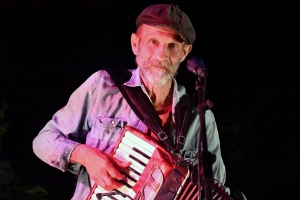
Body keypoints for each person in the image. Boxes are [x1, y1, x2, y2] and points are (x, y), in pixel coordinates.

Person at [33, 4, 228, 200]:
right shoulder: (103, 87)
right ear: (135, 44)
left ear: (184, 53)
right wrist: (85, 155)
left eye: (172, 46)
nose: (161, 55)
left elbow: (216, 187)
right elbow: (43, 141)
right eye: (153, 41)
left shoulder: (200, 117)